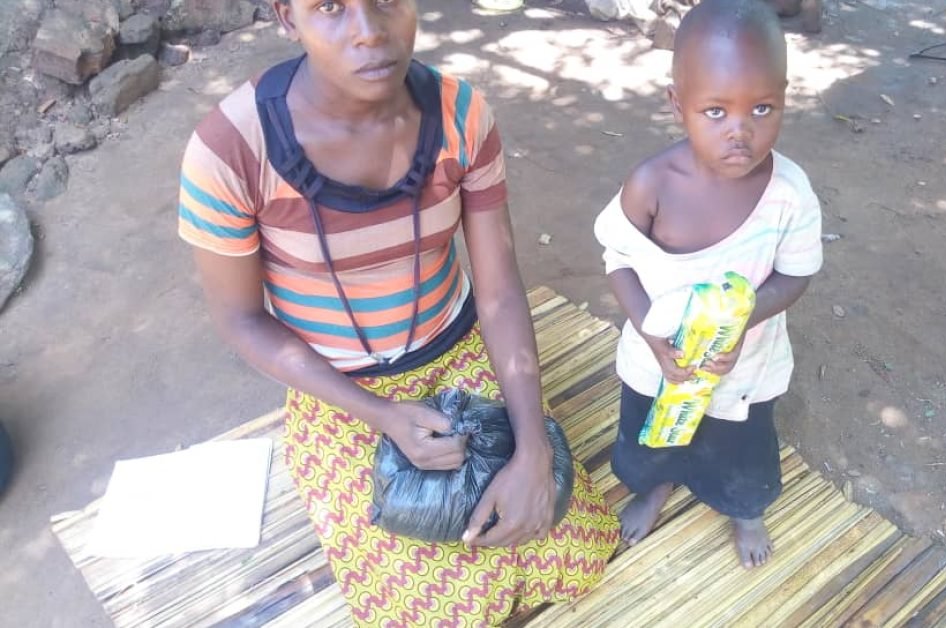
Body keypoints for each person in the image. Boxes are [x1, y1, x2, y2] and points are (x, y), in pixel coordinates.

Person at [177, 0, 618, 623]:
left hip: (459, 351)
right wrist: (380, 414)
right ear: (286, 16)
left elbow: (497, 290)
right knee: (428, 594)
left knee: (561, 539)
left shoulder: (462, 116)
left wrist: (532, 450)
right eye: (329, 7)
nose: (369, 30)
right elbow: (241, 319)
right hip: (342, 392)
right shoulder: (230, 151)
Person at [594, 0, 823, 569]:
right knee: (652, 438)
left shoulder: (789, 195)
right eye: (715, 111)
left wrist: (747, 319)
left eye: (762, 108)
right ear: (678, 105)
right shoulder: (650, 185)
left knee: (739, 451)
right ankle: (656, 488)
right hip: (657, 363)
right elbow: (617, 262)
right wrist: (653, 340)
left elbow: (796, 274)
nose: (740, 133)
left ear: (785, 98)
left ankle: (744, 509)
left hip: (743, 371)